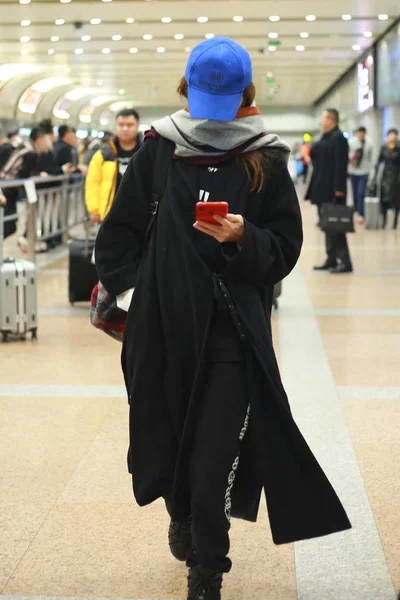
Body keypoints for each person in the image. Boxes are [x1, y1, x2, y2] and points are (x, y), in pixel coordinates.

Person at [95, 37, 351, 600]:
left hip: (232, 334)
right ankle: (180, 512)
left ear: (245, 94)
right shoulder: (158, 150)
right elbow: (115, 237)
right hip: (162, 333)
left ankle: (207, 572)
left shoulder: (264, 156)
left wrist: (244, 238)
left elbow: (284, 247)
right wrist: (141, 300)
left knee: (212, 465)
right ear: (185, 88)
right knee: (165, 447)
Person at [306, 108, 353, 273]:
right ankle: (331, 259)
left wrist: (339, 188)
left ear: (331, 121)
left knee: (336, 225)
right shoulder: (326, 137)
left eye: (324, 118)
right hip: (322, 188)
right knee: (327, 225)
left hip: (332, 189)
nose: (321, 121)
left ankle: (345, 262)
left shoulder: (338, 138)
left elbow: (341, 164)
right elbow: (316, 154)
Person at [85, 109, 141, 224]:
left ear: (137, 126)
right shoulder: (104, 154)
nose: (125, 128)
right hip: (111, 211)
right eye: (121, 125)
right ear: (116, 127)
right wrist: (94, 210)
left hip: (140, 211)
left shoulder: (145, 152)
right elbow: (93, 182)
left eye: (130, 125)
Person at [0, 127, 49, 239]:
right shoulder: (31, 153)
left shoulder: (25, 146)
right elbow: (24, 174)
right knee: (9, 225)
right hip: (8, 188)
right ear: (39, 139)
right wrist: (38, 175)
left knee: (9, 223)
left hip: (5, 186)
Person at [375, 128, 400, 229]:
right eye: (390, 135)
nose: (392, 137)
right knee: (384, 199)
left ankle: (395, 222)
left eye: (394, 135)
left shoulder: (399, 148)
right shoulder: (384, 147)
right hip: (385, 176)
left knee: (396, 200)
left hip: (397, 176)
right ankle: (384, 221)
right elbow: (379, 160)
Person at [348, 126, 373, 224]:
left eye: (362, 133)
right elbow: (348, 156)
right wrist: (353, 156)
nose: (360, 135)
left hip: (364, 172)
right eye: (359, 133)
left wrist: (371, 172)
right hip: (353, 171)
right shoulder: (352, 142)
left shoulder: (369, 143)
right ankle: (357, 211)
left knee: (361, 192)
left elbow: (371, 158)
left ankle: (362, 214)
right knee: (354, 193)